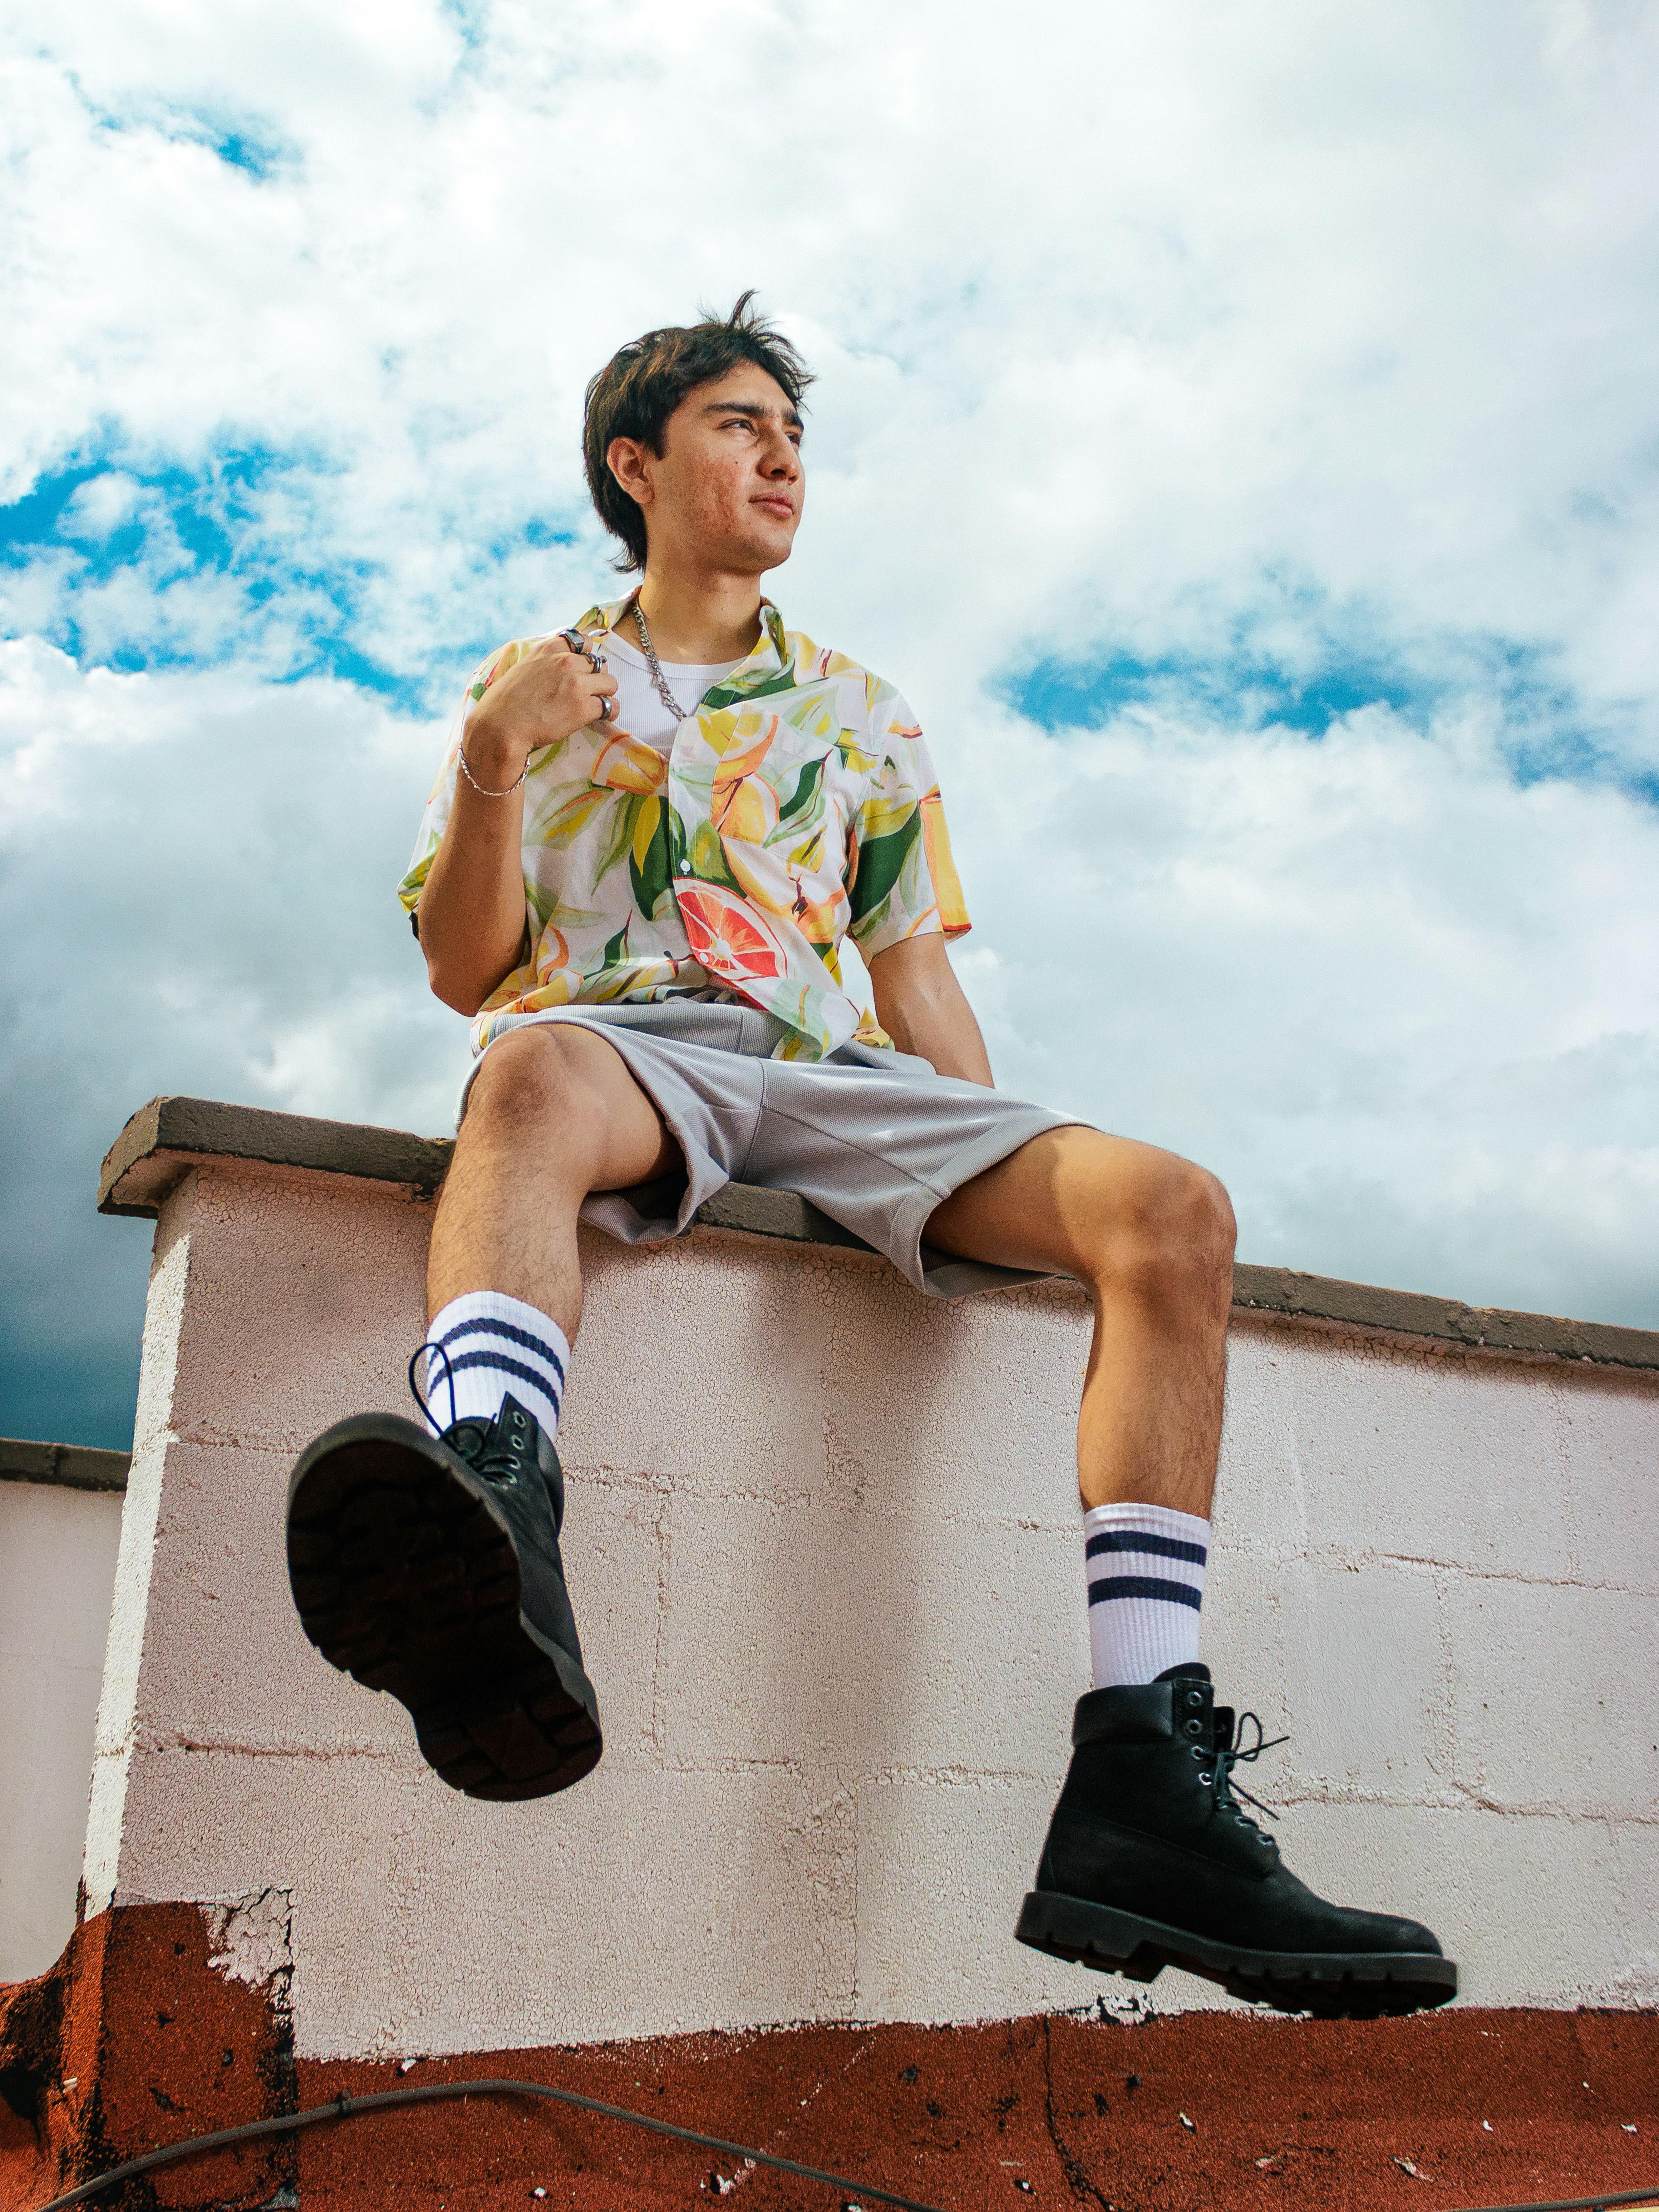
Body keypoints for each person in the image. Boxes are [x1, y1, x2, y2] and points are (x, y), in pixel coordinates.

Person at [285, 295, 1455, 2020]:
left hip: (836, 1072)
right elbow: (467, 968)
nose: (779, 460)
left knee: (1170, 1207)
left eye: (792, 435)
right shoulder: (535, 684)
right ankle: (498, 1506)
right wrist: (489, 754)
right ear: (635, 463)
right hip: (624, 1047)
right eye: (737, 426)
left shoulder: (860, 712)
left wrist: (991, 1169)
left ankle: (1142, 1771)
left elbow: (911, 979)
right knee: (519, 1074)